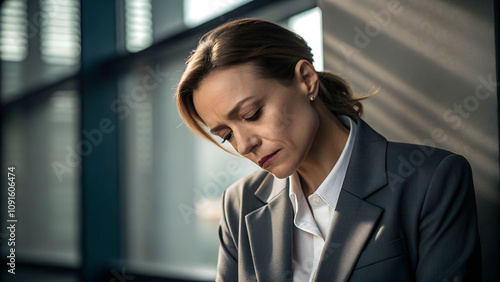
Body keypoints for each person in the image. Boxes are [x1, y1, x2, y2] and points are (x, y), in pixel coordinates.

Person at [176, 18, 482, 281]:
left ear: (306, 80)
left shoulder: (430, 181)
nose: (244, 145)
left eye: (252, 114)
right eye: (227, 135)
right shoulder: (239, 204)